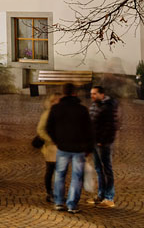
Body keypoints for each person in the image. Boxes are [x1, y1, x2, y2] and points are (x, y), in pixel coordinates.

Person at [46, 82, 93, 214]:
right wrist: (88, 148)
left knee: (60, 174)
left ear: (63, 93)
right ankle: (72, 204)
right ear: (75, 93)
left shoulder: (56, 108)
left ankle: (59, 202)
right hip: (79, 149)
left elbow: (49, 127)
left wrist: (57, 141)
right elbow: (89, 130)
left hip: (63, 148)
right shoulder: (82, 110)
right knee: (77, 177)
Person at [89, 85, 119, 208]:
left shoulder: (108, 107)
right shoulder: (94, 105)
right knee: (98, 170)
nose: (92, 96)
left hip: (103, 144)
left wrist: (102, 140)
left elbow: (111, 127)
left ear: (102, 94)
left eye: (95, 93)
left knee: (107, 170)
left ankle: (109, 197)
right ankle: (101, 195)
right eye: (91, 93)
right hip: (94, 142)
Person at [35, 94, 59, 203]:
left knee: (60, 171)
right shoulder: (47, 114)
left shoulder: (59, 113)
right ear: (52, 102)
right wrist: (50, 140)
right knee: (50, 170)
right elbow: (40, 130)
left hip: (60, 147)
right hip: (51, 148)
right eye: (57, 101)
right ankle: (50, 192)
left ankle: (57, 192)